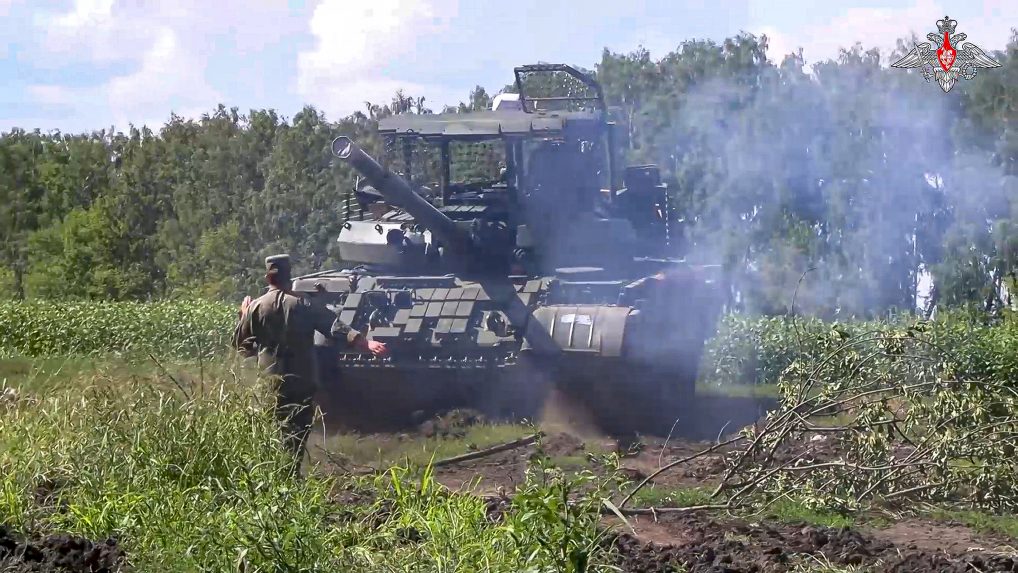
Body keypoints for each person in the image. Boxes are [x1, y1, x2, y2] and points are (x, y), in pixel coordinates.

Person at [232, 254, 388, 471]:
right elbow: (335, 327)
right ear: (289, 276)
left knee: (272, 427)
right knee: (298, 429)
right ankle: (292, 472)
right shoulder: (304, 304)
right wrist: (366, 344)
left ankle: (272, 472)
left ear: (268, 279)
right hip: (301, 378)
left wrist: (243, 315)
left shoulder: (256, 308)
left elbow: (242, 348)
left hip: (269, 379)